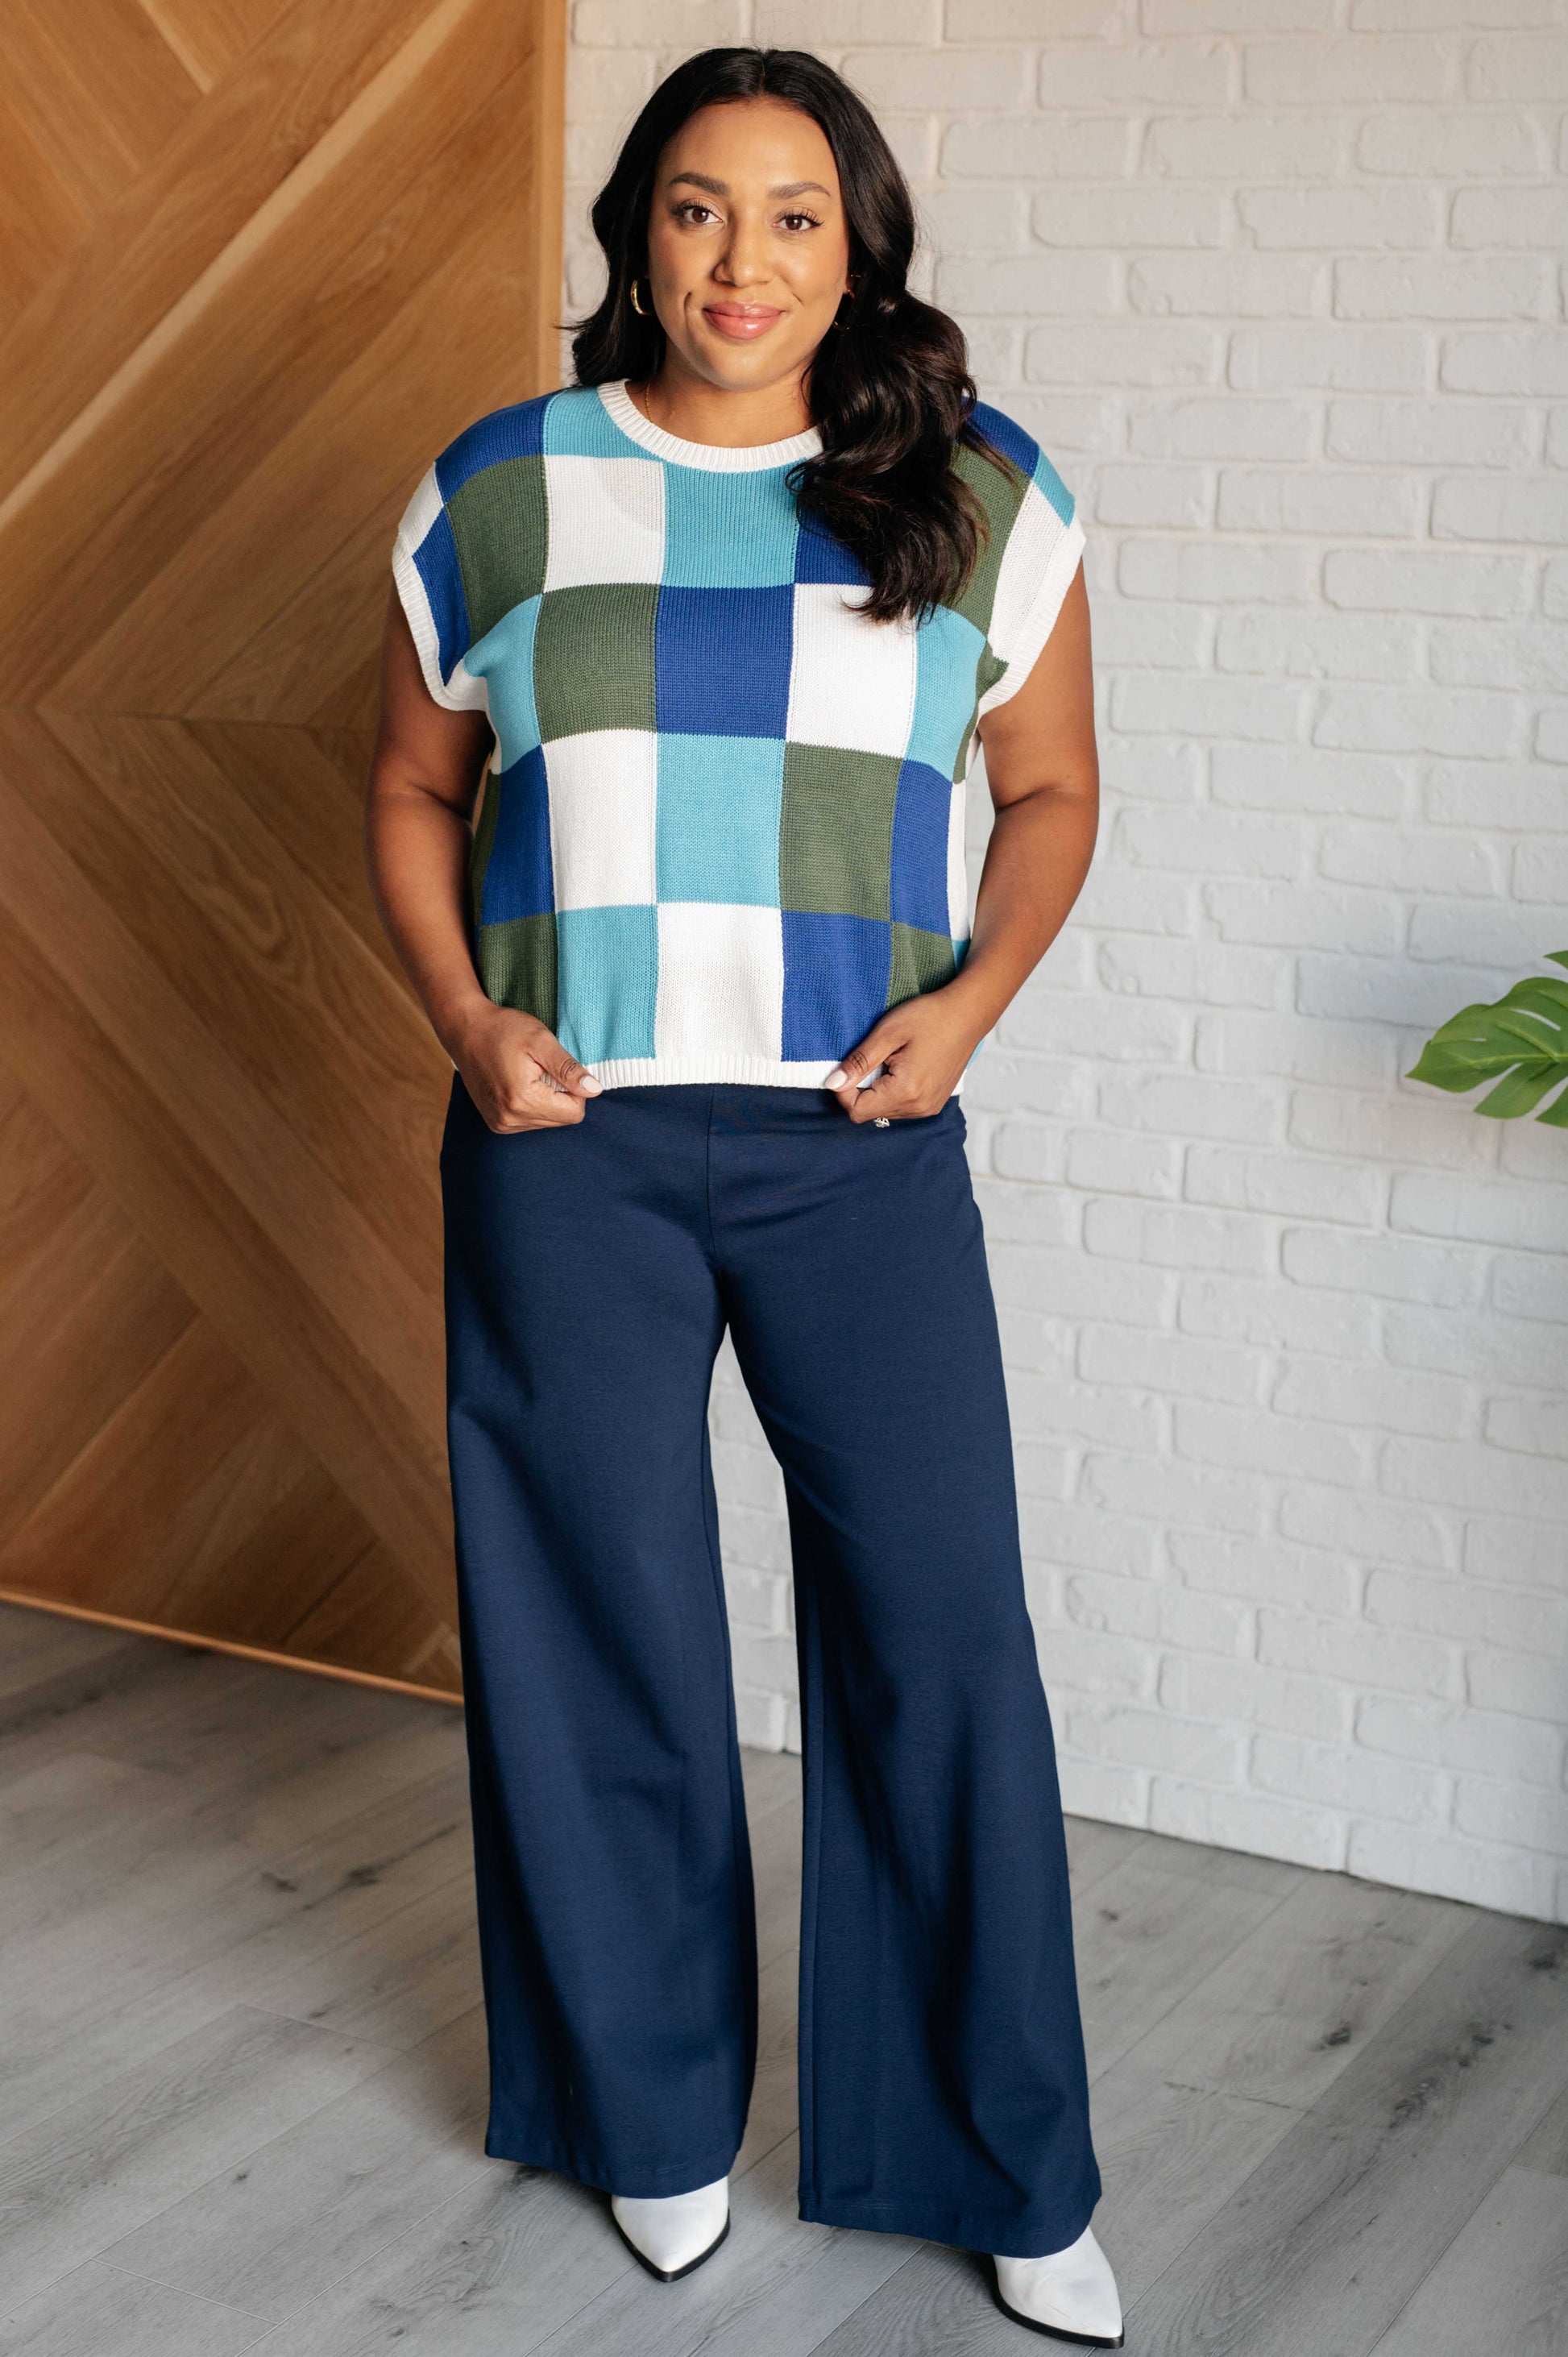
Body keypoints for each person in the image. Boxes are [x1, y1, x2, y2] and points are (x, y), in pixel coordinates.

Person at [364, 44, 1120, 2349]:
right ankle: (649, 2116)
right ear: (636, 232)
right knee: (597, 1632)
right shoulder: (501, 488)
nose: (742, 261)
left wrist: (970, 1009)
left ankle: (996, 2157)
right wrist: (467, 1025)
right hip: (565, 1141)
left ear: (857, 245)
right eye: (697, 207)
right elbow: (409, 790)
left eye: (796, 215)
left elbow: (1051, 791)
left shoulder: (977, 491)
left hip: (856, 1142)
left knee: (940, 1636)